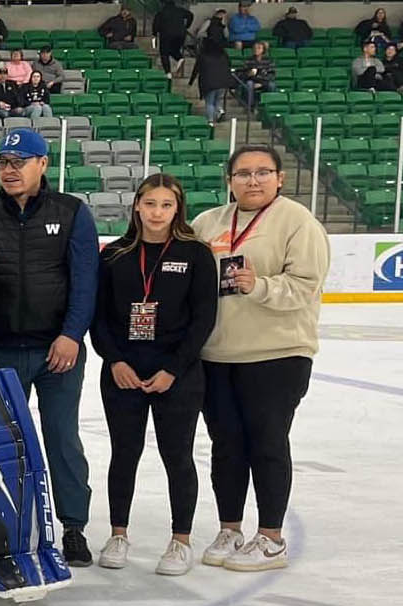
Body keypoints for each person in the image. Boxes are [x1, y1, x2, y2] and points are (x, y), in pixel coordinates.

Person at [0, 128, 99, 567]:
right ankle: (6, 525)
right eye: (3, 163)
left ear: (43, 164)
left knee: (62, 440)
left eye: (19, 162)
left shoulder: (71, 212)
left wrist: (72, 335)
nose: (9, 170)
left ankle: (72, 526)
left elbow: (85, 281)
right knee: (1, 447)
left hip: (57, 351)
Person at [188, 146, 329, 573]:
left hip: (277, 353)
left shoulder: (297, 222)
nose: (253, 180)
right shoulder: (207, 223)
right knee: (226, 446)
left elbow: (306, 284)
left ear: (280, 178)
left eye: (263, 172)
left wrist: (259, 285)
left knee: (267, 443)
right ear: (228, 179)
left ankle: (270, 537)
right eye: (243, 173)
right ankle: (229, 527)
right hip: (215, 354)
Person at [90, 175, 218, 576]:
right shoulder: (114, 254)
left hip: (177, 374)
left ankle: (180, 540)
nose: (157, 212)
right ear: (137, 207)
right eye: (150, 204)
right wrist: (115, 361)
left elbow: (204, 318)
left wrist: (174, 369)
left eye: (166, 204)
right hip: (124, 371)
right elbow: (99, 317)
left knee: (177, 455)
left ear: (177, 208)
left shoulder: (195, 254)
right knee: (123, 454)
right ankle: (118, 533)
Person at [193, 35, 234, 121]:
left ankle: (210, 121)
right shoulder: (223, 54)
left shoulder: (203, 56)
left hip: (209, 83)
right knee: (217, 101)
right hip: (223, 82)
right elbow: (229, 65)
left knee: (209, 103)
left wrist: (191, 81)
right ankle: (219, 110)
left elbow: (196, 69)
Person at [155, 0, 195, 72]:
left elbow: (156, 25)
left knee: (164, 53)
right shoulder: (180, 10)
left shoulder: (161, 13)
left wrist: (155, 33)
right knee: (174, 50)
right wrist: (187, 26)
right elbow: (190, 15)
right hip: (181, 34)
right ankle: (179, 58)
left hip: (166, 35)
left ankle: (168, 72)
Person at [238, 40, 276, 107]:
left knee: (271, 85)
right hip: (252, 81)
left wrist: (261, 83)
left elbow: (271, 75)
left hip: (264, 81)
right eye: (255, 48)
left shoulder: (268, 61)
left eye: (259, 48)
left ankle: (268, 105)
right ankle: (250, 106)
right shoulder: (248, 60)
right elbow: (241, 74)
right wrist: (248, 74)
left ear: (263, 50)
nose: (256, 50)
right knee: (249, 84)